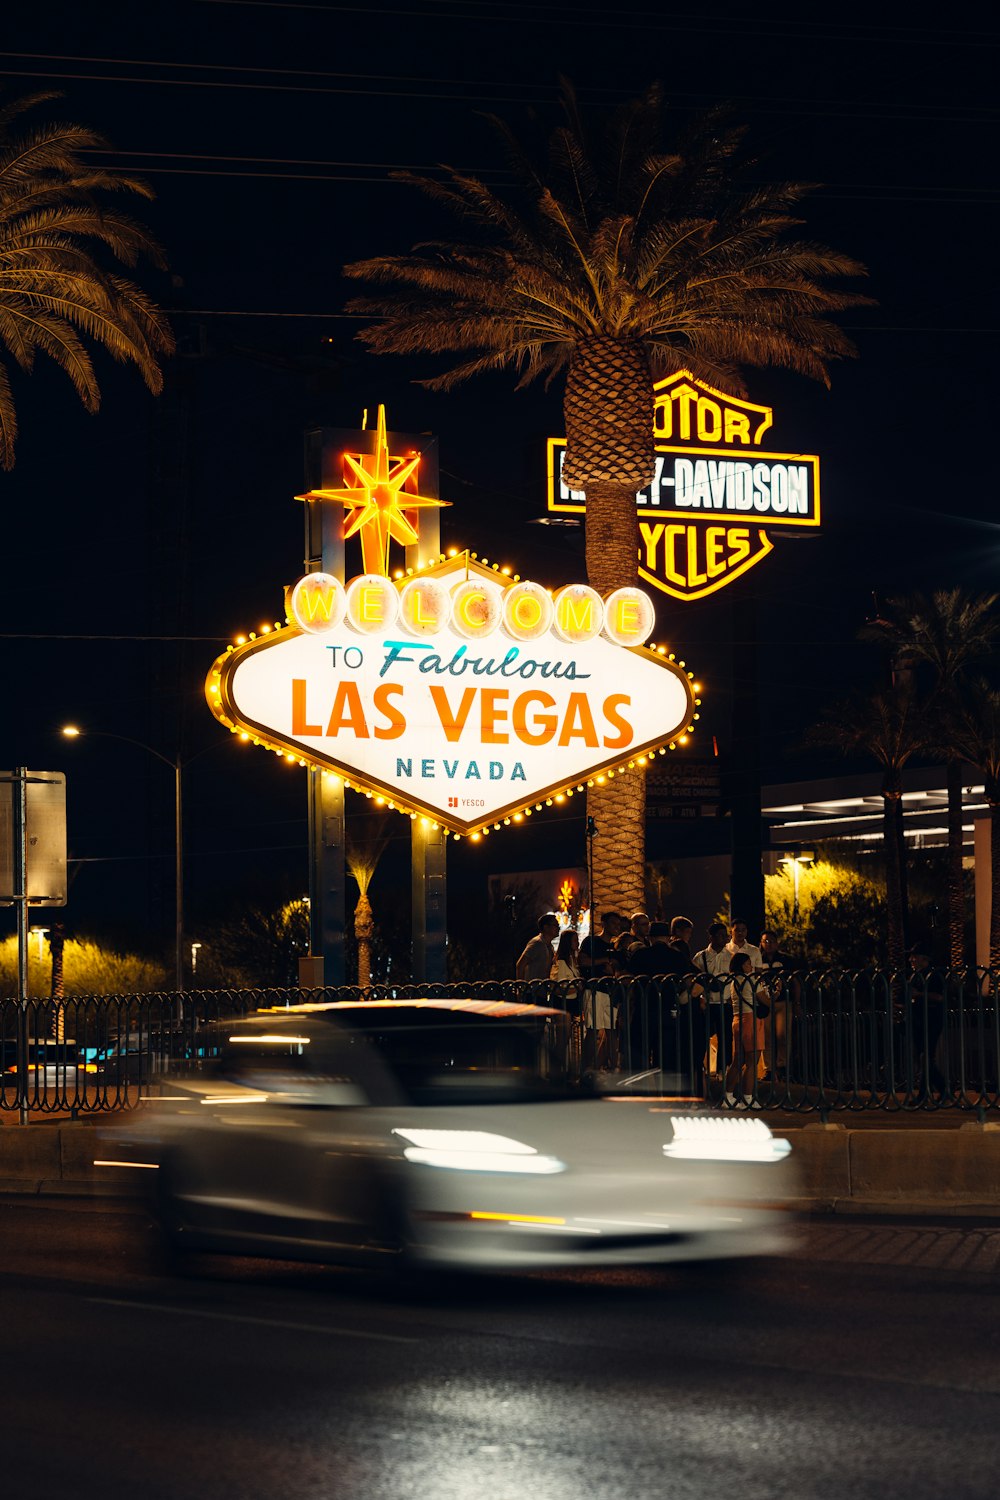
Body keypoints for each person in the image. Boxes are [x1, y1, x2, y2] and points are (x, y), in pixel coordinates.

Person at [692, 922, 732, 1087]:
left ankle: (724, 1069)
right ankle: (700, 1067)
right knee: (701, 1037)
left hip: (725, 1002)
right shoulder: (700, 957)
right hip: (706, 1003)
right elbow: (693, 979)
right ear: (712, 937)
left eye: (726, 935)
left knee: (726, 1038)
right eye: (721, 935)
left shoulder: (731, 956)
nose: (725, 938)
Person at [907, 943, 949, 1100]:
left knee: (926, 1057)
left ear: (924, 959)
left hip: (931, 1020)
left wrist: (919, 994)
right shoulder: (917, 976)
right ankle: (932, 1091)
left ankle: (938, 1089)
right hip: (919, 1019)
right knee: (923, 1057)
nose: (911, 960)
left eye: (914, 957)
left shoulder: (933, 975)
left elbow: (939, 997)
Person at [724, 950, 767, 1104]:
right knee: (752, 1062)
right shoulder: (752, 980)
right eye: (748, 963)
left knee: (737, 1061)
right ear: (742, 965)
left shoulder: (733, 981)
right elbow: (766, 1001)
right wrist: (777, 992)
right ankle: (748, 1099)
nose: (751, 966)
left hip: (737, 1020)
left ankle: (727, 1097)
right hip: (751, 1020)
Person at [759, 930, 796, 1083]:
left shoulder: (786, 960)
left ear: (777, 942)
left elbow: (795, 980)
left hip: (783, 1001)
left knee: (783, 1034)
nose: (769, 944)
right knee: (766, 1037)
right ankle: (768, 1069)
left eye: (771, 941)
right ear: (761, 943)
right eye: (765, 941)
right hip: (765, 1002)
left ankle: (783, 1066)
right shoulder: (757, 959)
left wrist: (797, 1002)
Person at [515, 913, 559, 983]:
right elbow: (520, 965)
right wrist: (521, 987)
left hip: (541, 990)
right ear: (546, 927)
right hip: (532, 990)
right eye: (556, 925)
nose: (558, 928)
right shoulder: (537, 943)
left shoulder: (550, 946)